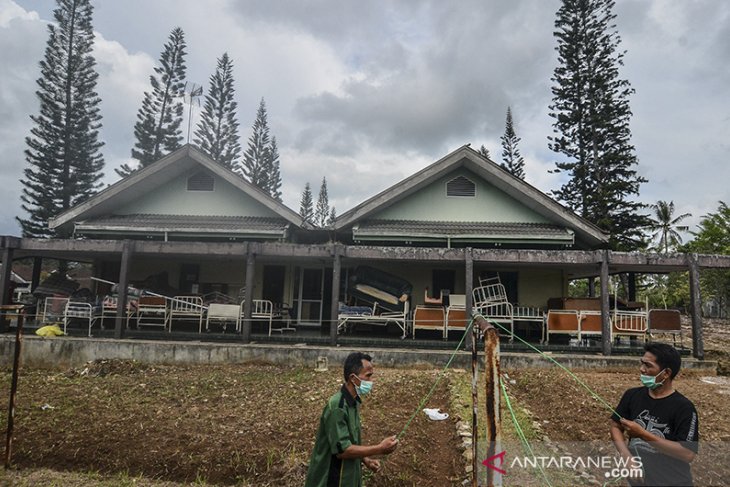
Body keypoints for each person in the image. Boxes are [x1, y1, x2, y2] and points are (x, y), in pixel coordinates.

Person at [610, 343, 699, 486]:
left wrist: (643, 434)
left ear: (666, 373)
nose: (642, 369)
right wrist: (626, 456)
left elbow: (687, 454)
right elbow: (615, 425)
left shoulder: (684, 408)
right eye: (642, 364)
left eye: (648, 366)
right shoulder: (632, 396)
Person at [304, 351, 399, 487]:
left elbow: (351, 440)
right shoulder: (337, 407)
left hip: (348, 477)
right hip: (333, 479)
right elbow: (343, 450)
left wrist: (366, 460)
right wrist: (380, 448)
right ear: (353, 378)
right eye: (368, 376)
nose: (371, 382)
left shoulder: (353, 403)